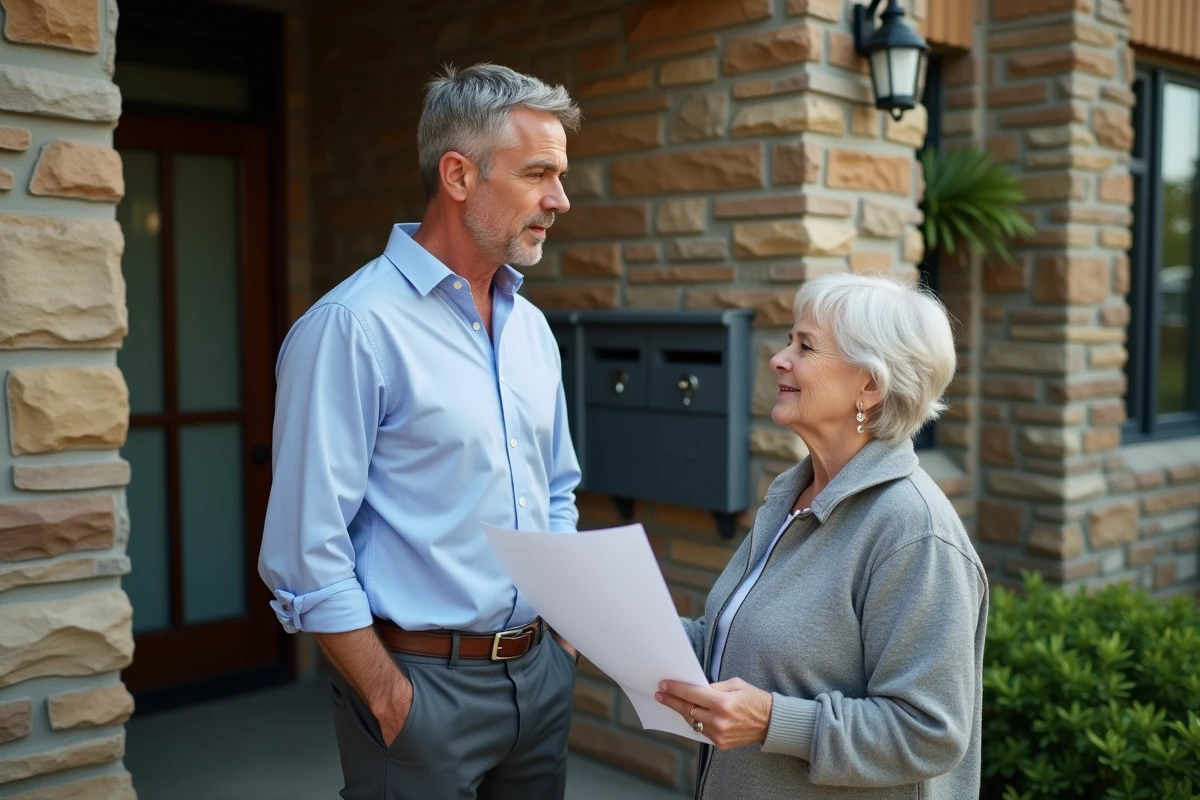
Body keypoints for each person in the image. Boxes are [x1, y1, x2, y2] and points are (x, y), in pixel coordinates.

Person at [258, 63, 583, 800]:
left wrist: (558, 643)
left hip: (539, 681)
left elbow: (557, 490)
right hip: (419, 691)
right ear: (459, 175)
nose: (559, 200)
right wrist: (387, 694)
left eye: (560, 175)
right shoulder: (351, 328)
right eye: (538, 174)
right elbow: (305, 551)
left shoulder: (531, 329)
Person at [656, 273, 989, 800]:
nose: (779, 359)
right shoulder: (794, 495)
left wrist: (772, 722)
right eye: (790, 340)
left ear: (870, 385)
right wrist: (605, 618)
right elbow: (734, 648)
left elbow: (931, 733)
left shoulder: (914, 531)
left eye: (804, 345)